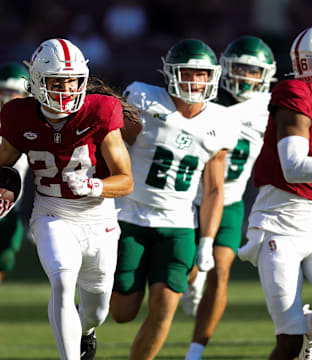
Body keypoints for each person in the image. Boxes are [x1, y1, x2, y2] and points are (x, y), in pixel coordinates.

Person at [0, 38, 136, 360]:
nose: (66, 89)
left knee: (96, 310)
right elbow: (3, 163)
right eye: (56, 82)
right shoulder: (19, 114)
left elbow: (126, 180)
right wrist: (4, 185)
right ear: (36, 82)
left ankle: (86, 332)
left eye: (73, 81)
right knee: (62, 278)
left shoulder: (100, 110)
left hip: (98, 217)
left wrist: (96, 187)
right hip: (52, 211)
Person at [238, 24, 312, 360]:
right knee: (288, 343)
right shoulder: (296, 95)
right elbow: (293, 166)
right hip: (278, 228)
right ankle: (298, 331)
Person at [109, 38, 236, 360]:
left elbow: (213, 190)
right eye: (189, 73)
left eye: (202, 74)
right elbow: (112, 147)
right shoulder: (143, 98)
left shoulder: (221, 120)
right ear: (171, 73)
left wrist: (207, 241)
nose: (195, 81)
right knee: (122, 312)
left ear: (212, 77)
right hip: (130, 214)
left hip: (179, 222)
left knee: (165, 306)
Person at [184, 36, 277, 359]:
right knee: (187, 270)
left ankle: (195, 351)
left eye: (252, 70)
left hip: (230, 200)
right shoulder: (204, 100)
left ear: (265, 74)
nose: (244, 76)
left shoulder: (272, 109)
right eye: (238, 67)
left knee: (222, 270)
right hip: (186, 199)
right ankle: (191, 281)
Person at [0, 62, 30, 283]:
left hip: (10, 209)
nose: (8, 98)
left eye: (14, 93)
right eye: (4, 92)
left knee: (4, 258)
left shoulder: (32, 124)